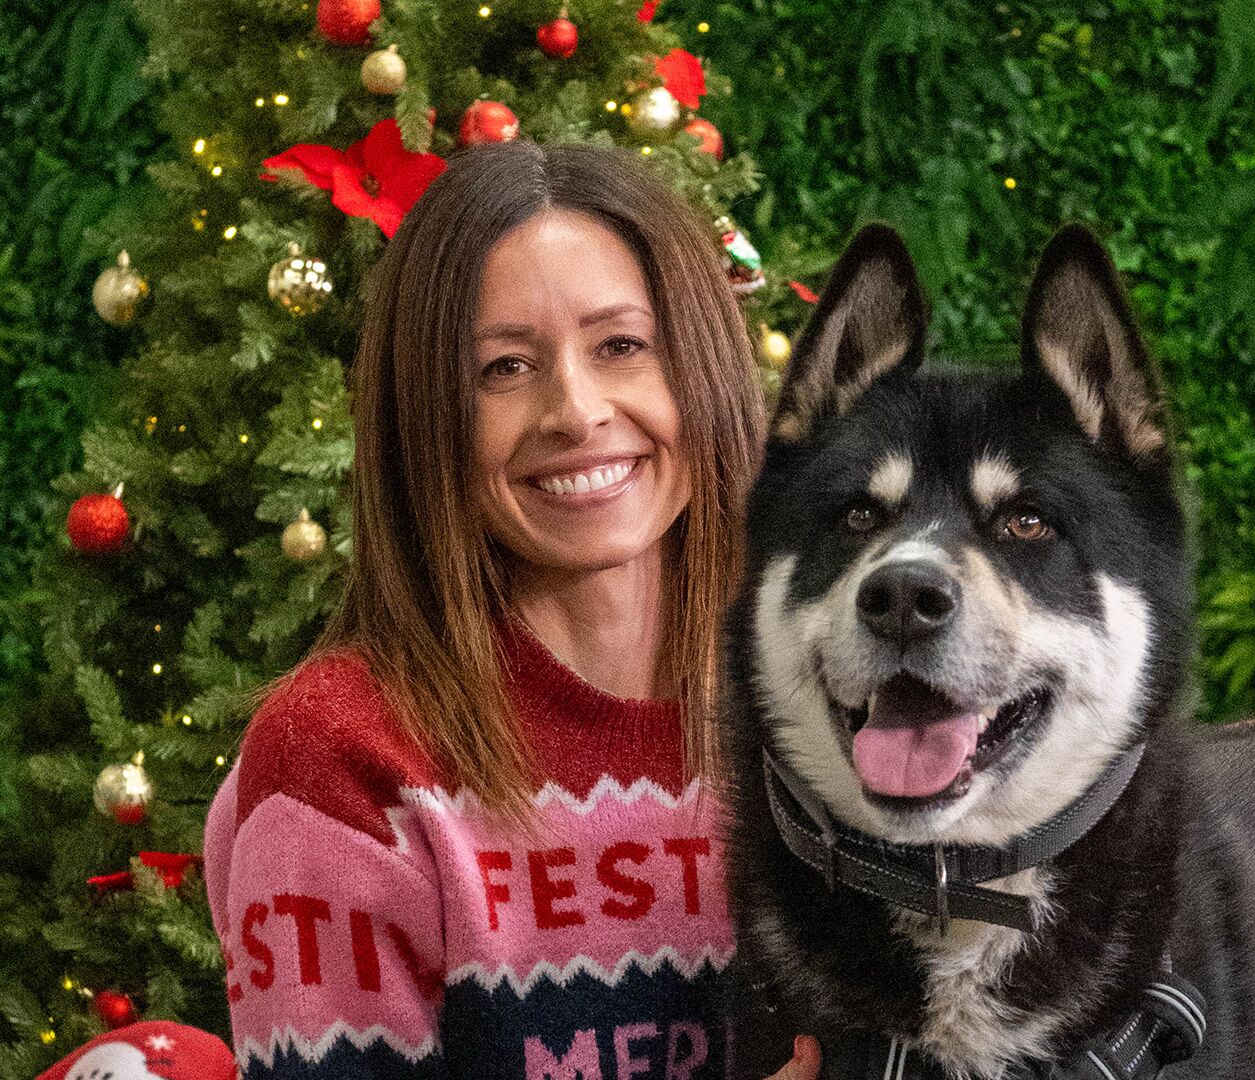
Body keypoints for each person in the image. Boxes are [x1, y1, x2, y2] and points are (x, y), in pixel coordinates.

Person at [201, 142, 820, 1080]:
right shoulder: (338, 760)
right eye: (503, 368)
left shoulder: (830, 708)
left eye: (621, 346)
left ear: (702, 368)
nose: (575, 410)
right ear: (429, 417)